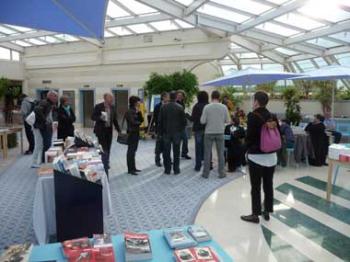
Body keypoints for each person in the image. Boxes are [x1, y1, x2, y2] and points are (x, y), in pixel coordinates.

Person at [241, 91, 278, 224]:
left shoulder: (252, 115)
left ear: (256, 101)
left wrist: (244, 150)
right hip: (272, 156)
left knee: (255, 186)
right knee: (268, 185)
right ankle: (267, 211)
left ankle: (255, 214)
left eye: (253, 100)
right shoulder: (272, 116)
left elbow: (250, 137)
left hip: (256, 157)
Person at [200, 90, 229, 179]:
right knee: (220, 153)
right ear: (219, 97)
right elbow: (227, 121)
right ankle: (222, 173)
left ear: (211, 97)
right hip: (220, 132)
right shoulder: (224, 107)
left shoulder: (207, 107)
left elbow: (202, 121)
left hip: (208, 132)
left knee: (207, 153)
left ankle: (206, 174)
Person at [92, 93, 120, 176]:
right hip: (100, 130)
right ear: (105, 98)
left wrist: (119, 130)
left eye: (112, 98)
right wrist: (100, 117)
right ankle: (103, 162)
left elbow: (114, 119)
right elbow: (92, 117)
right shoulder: (98, 106)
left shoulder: (113, 107)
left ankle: (106, 161)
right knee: (103, 147)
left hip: (108, 130)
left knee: (108, 147)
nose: (112, 99)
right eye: (110, 98)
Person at [158, 91, 186, 175]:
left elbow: (160, 121)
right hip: (177, 133)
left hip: (166, 132)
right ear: (175, 97)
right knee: (176, 152)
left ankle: (167, 169)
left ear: (170, 97)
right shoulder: (180, 107)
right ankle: (176, 169)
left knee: (166, 152)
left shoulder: (163, 107)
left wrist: (160, 132)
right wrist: (180, 131)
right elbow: (184, 122)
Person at [32, 90, 58, 167]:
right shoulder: (45, 102)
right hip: (41, 127)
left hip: (45, 126)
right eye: (55, 96)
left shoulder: (50, 103)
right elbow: (37, 110)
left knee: (46, 144)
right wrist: (45, 120)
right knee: (41, 144)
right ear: (50, 96)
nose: (56, 98)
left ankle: (42, 161)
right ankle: (39, 161)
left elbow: (49, 115)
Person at [189, 91, 209, 171]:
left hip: (198, 129)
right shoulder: (208, 106)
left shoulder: (196, 106)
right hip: (207, 129)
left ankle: (198, 166)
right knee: (207, 147)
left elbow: (193, 119)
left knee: (198, 147)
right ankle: (208, 164)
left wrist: (187, 115)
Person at [125, 96, 144, 175]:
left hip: (136, 132)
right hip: (132, 133)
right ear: (134, 102)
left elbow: (141, 120)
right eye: (138, 101)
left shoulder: (135, 110)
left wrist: (139, 111)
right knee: (131, 151)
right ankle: (130, 169)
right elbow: (133, 122)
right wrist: (139, 123)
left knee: (133, 151)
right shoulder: (129, 111)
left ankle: (134, 167)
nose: (139, 103)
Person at [153, 92, 170, 167]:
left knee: (166, 145)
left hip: (167, 129)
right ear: (163, 97)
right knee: (158, 146)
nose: (168, 98)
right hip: (160, 129)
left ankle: (167, 159)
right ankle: (157, 160)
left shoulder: (169, 105)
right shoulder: (157, 106)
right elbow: (156, 118)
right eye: (167, 97)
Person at [176, 90, 191, 160]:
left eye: (181, 96)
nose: (180, 97)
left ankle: (184, 153)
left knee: (185, 139)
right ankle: (177, 154)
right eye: (179, 95)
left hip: (182, 125)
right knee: (178, 140)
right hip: (176, 125)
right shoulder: (175, 103)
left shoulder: (182, 103)